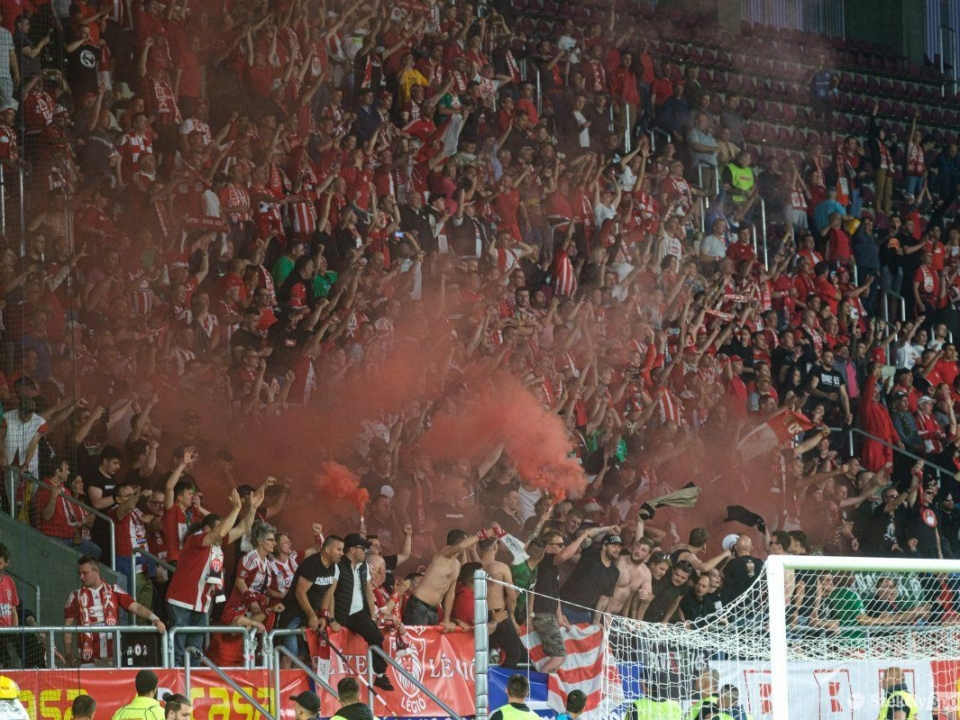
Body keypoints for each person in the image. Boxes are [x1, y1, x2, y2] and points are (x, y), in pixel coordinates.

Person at [165, 487, 261, 665]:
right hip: (181, 602)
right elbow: (219, 533)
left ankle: (191, 686)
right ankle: (174, 687)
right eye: (219, 527)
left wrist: (252, 509)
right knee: (178, 651)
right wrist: (235, 508)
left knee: (196, 651)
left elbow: (242, 528)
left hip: (202, 604)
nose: (223, 532)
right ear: (207, 528)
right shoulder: (196, 539)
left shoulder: (217, 544)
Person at [63, 556, 165, 667]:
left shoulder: (114, 590)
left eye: (85, 573)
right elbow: (68, 625)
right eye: (80, 574)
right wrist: (68, 652)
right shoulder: (75, 595)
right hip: (87, 659)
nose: (81, 577)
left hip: (113, 657)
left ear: (95, 572)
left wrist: (154, 618)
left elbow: (136, 607)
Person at [330, 533, 393, 691]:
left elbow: (368, 592)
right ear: (352, 550)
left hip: (358, 613)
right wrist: (331, 619)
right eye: (363, 548)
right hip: (342, 613)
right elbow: (329, 593)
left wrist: (372, 617)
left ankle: (380, 675)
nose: (366, 551)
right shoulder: (338, 565)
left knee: (376, 635)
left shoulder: (363, 566)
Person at [277, 535, 344, 664]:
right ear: (328, 549)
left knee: (307, 657)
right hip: (293, 615)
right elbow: (300, 593)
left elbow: (328, 593)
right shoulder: (311, 565)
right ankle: (283, 684)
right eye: (339, 549)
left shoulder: (333, 567)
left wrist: (323, 615)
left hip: (310, 617)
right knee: (289, 655)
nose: (341, 553)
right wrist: (312, 616)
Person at [558, 527, 622, 624]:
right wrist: (609, 528)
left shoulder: (614, 572)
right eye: (614, 546)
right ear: (604, 546)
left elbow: (604, 598)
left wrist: (596, 622)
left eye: (619, 547)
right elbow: (587, 534)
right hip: (564, 605)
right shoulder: (590, 552)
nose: (617, 549)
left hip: (585, 613)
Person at [0, 544, 18, 669]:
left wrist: (15, 631)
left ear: (7, 563)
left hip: (7, 634)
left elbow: (13, 610)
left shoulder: (9, 581)